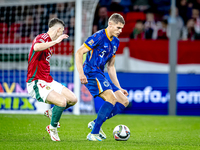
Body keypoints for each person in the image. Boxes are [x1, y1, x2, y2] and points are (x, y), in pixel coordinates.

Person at [75, 13, 129, 141]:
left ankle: (95, 123)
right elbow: (79, 52)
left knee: (123, 101)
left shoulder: (116, 42)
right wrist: (81, 73)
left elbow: (111, 67)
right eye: (118, 27)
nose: (120, 31)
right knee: (111, 98)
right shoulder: (98, 36)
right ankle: (93, 133)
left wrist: (119, 87)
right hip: (90, 72)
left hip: (100, 73)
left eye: (121, 28)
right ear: (110, 24)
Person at [26, 18, 77, 141]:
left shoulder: (50, 44)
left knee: (73, 99)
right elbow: (37, 47)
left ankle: (51, 112)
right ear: (58, 29)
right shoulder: (42, 38)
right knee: (62, 102)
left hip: (48, 80)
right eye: (62, 31)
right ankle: (52, 128)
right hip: (36, 82)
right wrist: (55, 42)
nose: (62, 34)